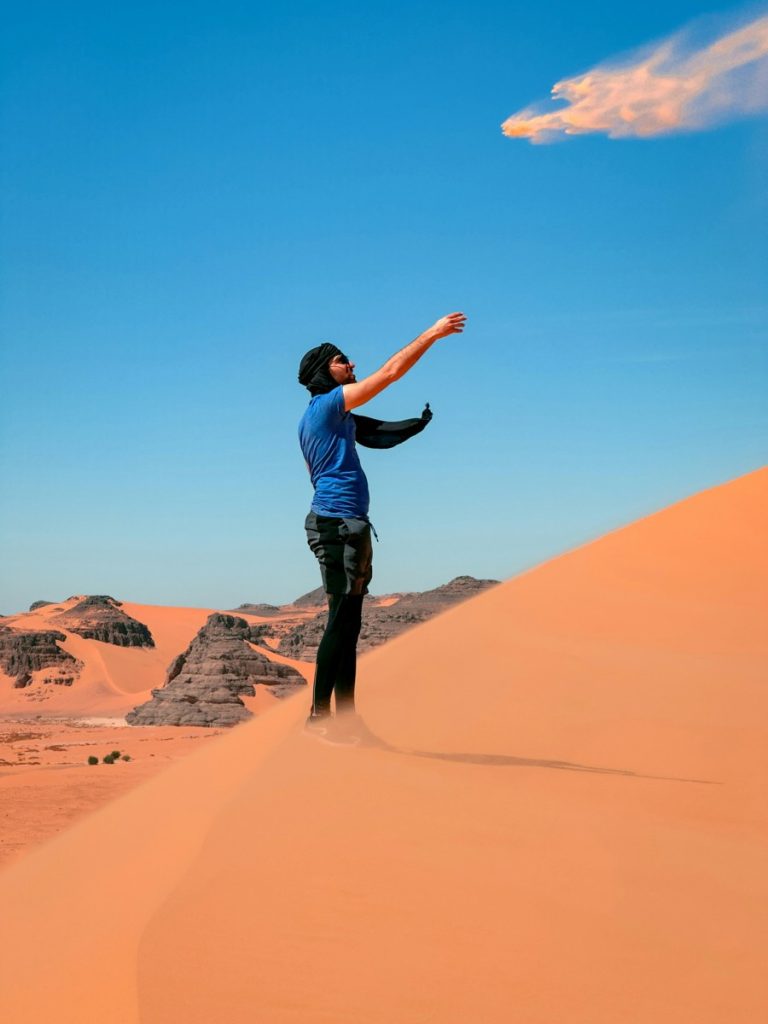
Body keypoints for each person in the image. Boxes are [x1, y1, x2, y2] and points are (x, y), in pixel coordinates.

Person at [297, 311, 467, 744]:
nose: (352, 366)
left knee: (350, 625)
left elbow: (377, 434)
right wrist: (432, 333)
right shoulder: (324, 407)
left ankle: (349, 724)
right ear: (323, 372)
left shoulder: (340, 418)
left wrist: (417, 424)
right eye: (343, 361)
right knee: (339, 620)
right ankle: (319, 720)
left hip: (351, 527)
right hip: (335, 526)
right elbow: (390, 374)